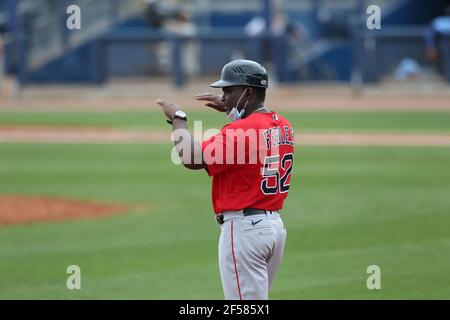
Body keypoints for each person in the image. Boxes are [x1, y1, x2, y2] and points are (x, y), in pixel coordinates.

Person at [155, 60, 294, 300]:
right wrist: (232, 110)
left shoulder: (239, 132)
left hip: (244, 233)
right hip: (273, 230)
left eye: (229, 91)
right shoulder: (282, 125)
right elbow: (252, 139)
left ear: (248, 93)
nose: (224, 96)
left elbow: (191, 157)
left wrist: (177, 118)